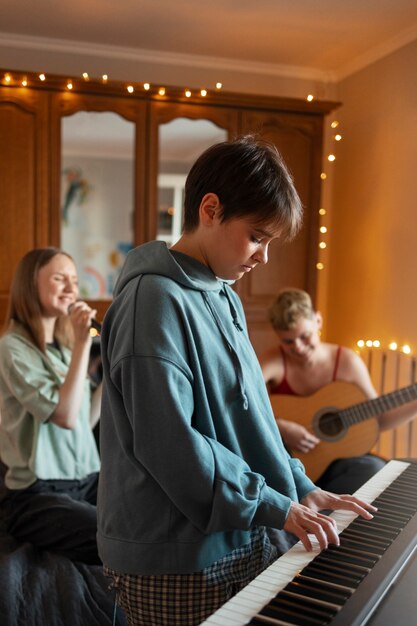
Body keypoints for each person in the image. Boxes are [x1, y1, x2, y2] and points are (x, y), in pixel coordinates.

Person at [97, 136, 376, 626]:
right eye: (257, 236)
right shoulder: (153, 303)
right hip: (177, 557)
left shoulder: (223, 293)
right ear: (210, 209)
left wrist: (299, 486)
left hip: (237, 533)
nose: (263, 257)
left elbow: (251, 418)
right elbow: (172, 447)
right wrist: (275, 506)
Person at [260, 287, 417, 493]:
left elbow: (379, 418)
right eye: (288, 341)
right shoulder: (273, 361)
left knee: (375, 470)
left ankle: (319, 504)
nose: (298, 347)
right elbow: (243, 404)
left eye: (305, 336)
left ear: (318, 321)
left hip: (335, 466)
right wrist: (282, 427)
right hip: (284, 460)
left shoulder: (347, 361)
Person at [0, 247, 102, 564]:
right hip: (38, 494)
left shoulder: (63, 350)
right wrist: (84, 344)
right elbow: (66, 417)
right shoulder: (11, 348)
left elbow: (84, 423)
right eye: (60, 279)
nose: (72, 289)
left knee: (150, 515)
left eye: (74, 280)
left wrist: (113, 373)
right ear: (31, 285)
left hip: (86, 480)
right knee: (114, 536)